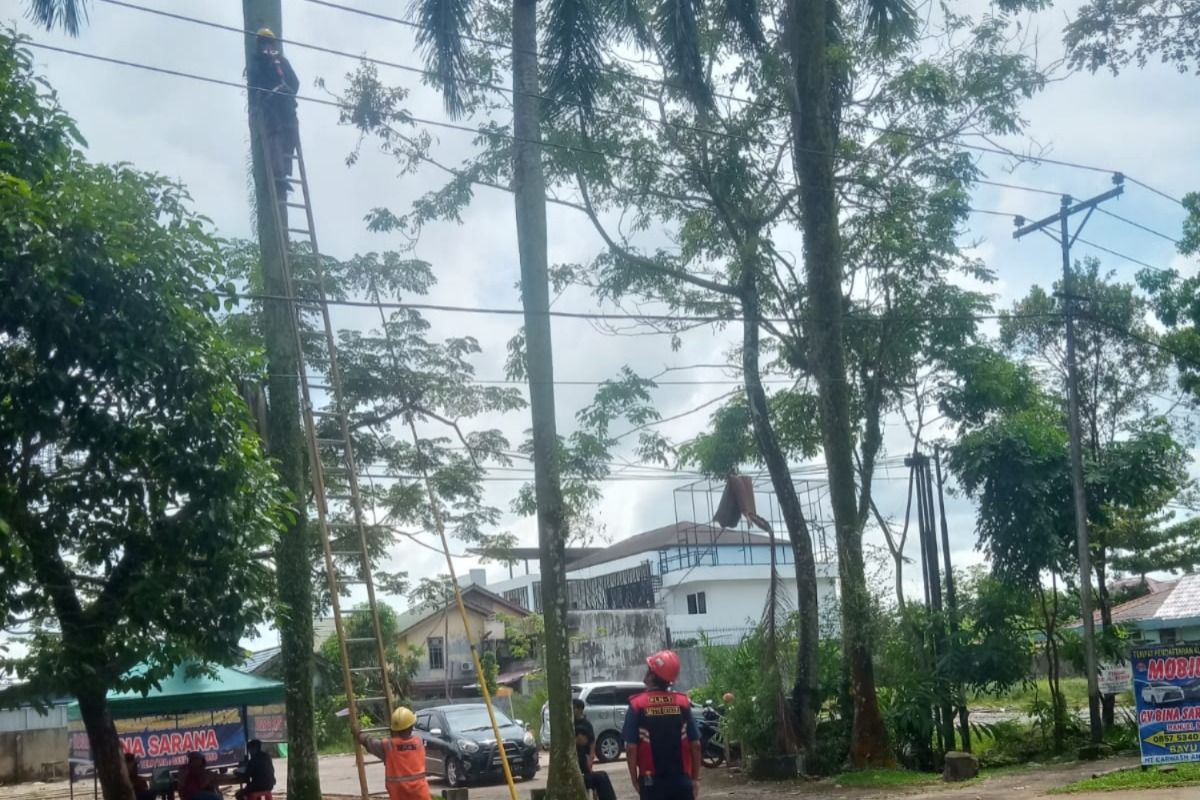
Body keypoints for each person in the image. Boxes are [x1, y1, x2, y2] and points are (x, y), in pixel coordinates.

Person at [623, 650, 701, 800]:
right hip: (682, 781)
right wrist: (695, 780)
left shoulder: (637, 705)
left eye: (649, 669)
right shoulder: (682, 703)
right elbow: (696, 745)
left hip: (651, 782)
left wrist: (634, 780)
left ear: (652, 675)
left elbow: (631, 748)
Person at [246, 27, 300, 195]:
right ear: (259, 45)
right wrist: (255, 105)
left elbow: (295, 82)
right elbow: (253, 85)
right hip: (269, 105)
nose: (267, 46)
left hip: (285, 104)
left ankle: (284, 170)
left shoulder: (281, 62)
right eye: (264, 43)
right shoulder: (256, 62)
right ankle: (278, 174)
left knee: (290, 134)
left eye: (269, 43)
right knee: (275, 134)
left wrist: (288, 92)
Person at [358, 707, 431, 800]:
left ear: (394, 729)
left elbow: (371, 742)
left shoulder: (389, 746)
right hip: (421, 796)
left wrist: (359, 734)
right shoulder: (419, 743)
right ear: (412, 726)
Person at [573, 698, 617, 800]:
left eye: (574, 708)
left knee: (603, 775)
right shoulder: (569, 725)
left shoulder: (586, 724)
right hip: (576, 776)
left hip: (584, 768)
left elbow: (592, 741)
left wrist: (591, 757)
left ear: (580, 709)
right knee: (600, 778)